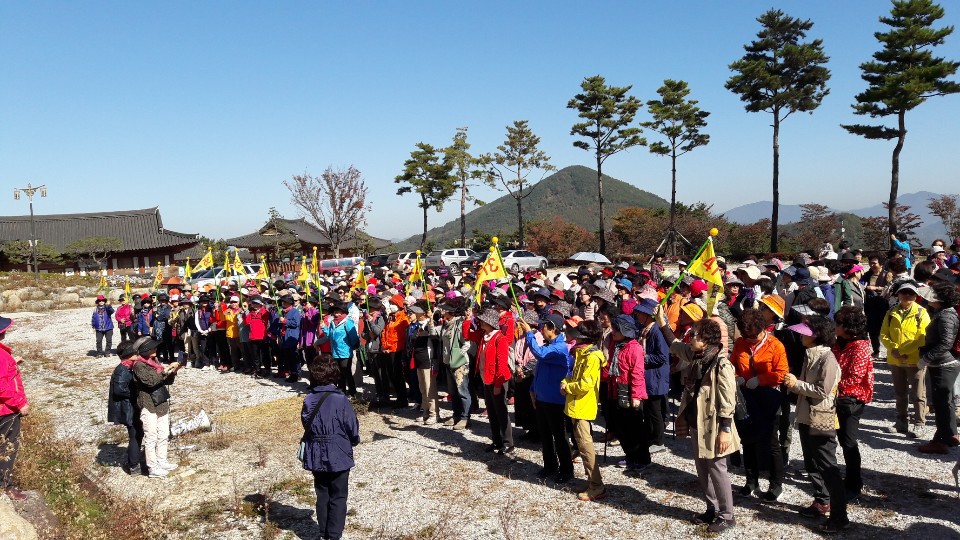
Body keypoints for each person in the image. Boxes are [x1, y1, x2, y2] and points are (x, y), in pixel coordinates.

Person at [662, 315, 740, 534]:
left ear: (705, 340)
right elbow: (675, 345)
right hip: (697, 422)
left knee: (717, 468)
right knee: (702, 467)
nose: (690, 338)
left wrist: (725, 430)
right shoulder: (697, 356)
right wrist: (662, 323)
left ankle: (727, 515)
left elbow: (728, 400)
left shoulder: (721, 364)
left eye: (694, 335)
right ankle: (711, 508)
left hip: (714, 425)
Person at [784, 317, 847, 533]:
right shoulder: (810, 354)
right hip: (806, 416)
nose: (801, 336)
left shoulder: (827, 359)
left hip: (821, 418)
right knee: (812, 464)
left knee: (828, 468)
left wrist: (796, 384)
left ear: (817, 336)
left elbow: (822, 391)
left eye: (805, 332)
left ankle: (839, 517)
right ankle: (822, 502)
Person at [730, 308, 787, 501]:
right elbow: (732, 366)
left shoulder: (775, 345)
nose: (751, 340)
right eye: (747, 336)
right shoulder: (740, 343)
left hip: (768, 396)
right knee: (748, 439)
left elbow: (782, 373)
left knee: (771, 442)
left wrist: (761, 379)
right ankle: (751, 481)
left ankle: (776, 484)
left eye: (753, 336)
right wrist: (737, 377)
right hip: (746, 396)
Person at [301, 359, 360, 540]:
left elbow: (306, 423)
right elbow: (351, 426)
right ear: (334, 374)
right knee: (339, 495)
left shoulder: (309, 399)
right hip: (338, 451)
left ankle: (323, 532)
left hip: (316, 453)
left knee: (322, 494)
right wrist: (354, 440)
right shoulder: (340, 399)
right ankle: (333, 535)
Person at [519, 312, 573, 483]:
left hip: (555, 400)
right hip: (542, 398)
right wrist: (533, 390)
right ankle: (550, 465)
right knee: (545, 435)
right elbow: (540, 370)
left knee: (559, 436)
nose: (541, 330)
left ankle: (566, 469)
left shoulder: (560, 348)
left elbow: (540, 354)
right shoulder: (549, 345)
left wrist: (529, 333)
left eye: (544, 327)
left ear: (553, 329)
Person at [832, 307, 874, 500]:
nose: (835, 326)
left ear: (848, 326)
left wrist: (832, 386)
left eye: (838, 323)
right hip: (836, 395)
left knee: (848, 441)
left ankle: (854, 483)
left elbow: (855, 377)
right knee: (838, 439)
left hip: (851, 398)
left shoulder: (860, 347)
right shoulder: (839, 342)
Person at [562, 319, 607, 501]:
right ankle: (592, 482)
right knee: (582, 445)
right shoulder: (581, 353)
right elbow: (574, 375)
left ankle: (597, 485)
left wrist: (567, 388)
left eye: (578, 336)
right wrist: (566, 381)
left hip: (583, 405)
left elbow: (586, 384)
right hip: (575, 404)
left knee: (586, 447)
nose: (575, 339)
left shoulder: (592, 357)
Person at [880, 281, 931, 437]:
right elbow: (883, 334)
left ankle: (919, 423)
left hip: (914, 359)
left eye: (911, 293)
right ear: (898, 295)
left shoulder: (921, 313)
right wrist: (894, 349)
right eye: (904, 292)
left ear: (916, 296)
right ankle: (901, 421)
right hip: (895, 359)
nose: (907, 295)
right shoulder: (891, 312)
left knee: (918, 394)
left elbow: (922, 338)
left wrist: (901, 351)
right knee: (900, 392)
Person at [917, 283, 960, 454]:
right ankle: (950, 436)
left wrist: (926, 358)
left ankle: (941, 442)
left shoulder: (946, 315)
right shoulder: (943, 313)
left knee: (942, 404)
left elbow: (946, 342)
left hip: (944, 365)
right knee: (945, 402)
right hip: (943, 364)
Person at [130, 336, 180, 478]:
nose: (156, 349)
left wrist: (172, 372)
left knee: (163, 433)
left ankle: (162, 460)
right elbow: (150, 381)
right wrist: (165, 370)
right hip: (148, 403)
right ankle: (152, 467)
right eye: (152, 347)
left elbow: (166, 381)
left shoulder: (155, 362)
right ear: (146, 349)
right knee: (151, 436)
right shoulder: (139, 365)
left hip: (161, 402)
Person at [607, 314, 648, 472]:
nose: (613, 332)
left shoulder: (634, 348)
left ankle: (642, 459)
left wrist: (636, 396)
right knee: (621, 428)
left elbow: (637, 373)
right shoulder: (616, 345)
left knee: (635, 429)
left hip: (631, 392)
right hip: (617, 390)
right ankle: (630, 456)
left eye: (616, 329)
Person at [474, 308, 513, 454]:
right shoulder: (484, 335)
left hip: (497, 380)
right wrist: (467, 320)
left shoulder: (500, 339)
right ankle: (496, 441)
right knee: (491, 411)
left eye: (483, 320)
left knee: (501, 411)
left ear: (489, 322)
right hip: (486, 378)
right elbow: (467, 334)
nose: (480, 322)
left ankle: (508, 443)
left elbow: (502, 365)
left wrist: (498, 385)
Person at [633, 298, 670, 456]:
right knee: (648, 410)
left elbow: (662, 356)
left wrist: (642, 358)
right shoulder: (645, 329)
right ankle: (650, 437)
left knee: (655, 410)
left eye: (641, 313)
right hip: (648, 375)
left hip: (656, 376)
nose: (638, 315)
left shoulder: (656, 331)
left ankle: (659, 441)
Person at [0, 316, 30, 500]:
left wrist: (12, 364)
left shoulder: (4, 356)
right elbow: (1, 386)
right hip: (6, 410)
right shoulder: (1, 355)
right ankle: (6, 486)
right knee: (8, 448)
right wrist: (20, 403)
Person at [107, 340, 144, 475]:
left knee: (138, 433)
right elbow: (118, 390)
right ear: (128, 354)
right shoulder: (122, 370)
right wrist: (136, 393)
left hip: (130, 406)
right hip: (127, 408)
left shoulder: (128, 367)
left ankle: (134, 459)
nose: (137, 355)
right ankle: (134, 465)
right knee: (135, 434)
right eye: (135, 353)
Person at [438, 300, 472, 429]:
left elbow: (467, 342)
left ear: (451, 311)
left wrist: (459, 355)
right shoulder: (446, 324)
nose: (442, 311)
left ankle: (465, 417)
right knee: (453, 391)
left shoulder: (459, 324)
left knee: (462, 391)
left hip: (459, 364)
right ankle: (456, 415)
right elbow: (435, 333)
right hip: (448, 362)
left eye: (445, 309)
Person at [406, 304, 440, 423]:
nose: (413, 313)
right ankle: (425, 411)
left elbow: (433, 334)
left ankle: (434, 413)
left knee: (430, 388)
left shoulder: (430, 324)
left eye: (416, 311)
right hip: (418, 360)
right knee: (423, 388)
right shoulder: (418, 326)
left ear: (424, 313)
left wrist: (431, 319)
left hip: (428, 360)